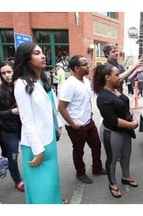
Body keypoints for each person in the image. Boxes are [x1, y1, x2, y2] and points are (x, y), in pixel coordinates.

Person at [13, 42, 65, 204]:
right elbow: (26, 120)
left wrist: (60, 125)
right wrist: (38, 150)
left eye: (42, 52)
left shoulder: (43, 79)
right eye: (36, 53)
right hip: (36, 145)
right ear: (27, 59)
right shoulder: (21, 84)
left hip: (49, 140)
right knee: (40, 189)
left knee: (52, 184)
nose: (42, 56)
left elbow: (52, 106)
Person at [92, 60, 143, 198]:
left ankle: (125, 176)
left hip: (125, 131)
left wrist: (130, 116)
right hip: (112, 132)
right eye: (117, 74)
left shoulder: (115, 90)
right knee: (112, 159)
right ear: (108, 78)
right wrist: (132, 125)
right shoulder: (103, 97)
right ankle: (112, 183)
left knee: (126, 155)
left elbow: (123, 107)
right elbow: (112, 120)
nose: (120, 77)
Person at [58, 55, 106, 184]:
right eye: (85, 64)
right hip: (76, 125)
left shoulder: (85, 81)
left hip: (88, 121)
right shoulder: (69, 85)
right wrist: (73, 124)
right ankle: (80, 173)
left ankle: (97, 168)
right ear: (77, 68)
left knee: (96, 145)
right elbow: (61, 108)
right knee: (79, 150)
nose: (88, 66)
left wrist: (89, 116)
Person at [0, 61, 24, 192]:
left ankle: (31, 176)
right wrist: (11, 111)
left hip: (24, 127)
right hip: (8, 129)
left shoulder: (22, 87)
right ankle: (17, 180)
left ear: (14, 71)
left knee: (31, 152)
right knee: (13, 156)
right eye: (3, 73)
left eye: (9, 72)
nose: (6, 75)